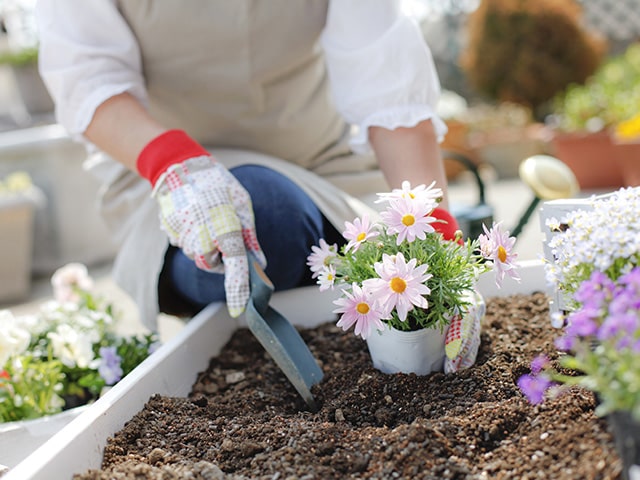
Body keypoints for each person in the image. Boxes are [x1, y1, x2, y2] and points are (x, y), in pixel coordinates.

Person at [35, 0, 460, 330]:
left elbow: (385, 84)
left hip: (320, 169)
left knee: (288, 222)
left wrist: (435, 231)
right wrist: (175, 165)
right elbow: (89, 78)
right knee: (266, 217)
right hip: (172, 177)